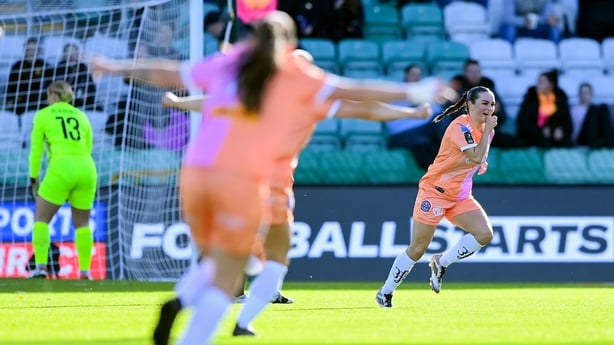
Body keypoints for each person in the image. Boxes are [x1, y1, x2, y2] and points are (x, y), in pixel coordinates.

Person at [89, 11, 450, 345]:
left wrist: (114, 66)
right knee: (232, 272)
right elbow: (357, 96)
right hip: (246, 178)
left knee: (224, 259)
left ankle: (210, 286)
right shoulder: (296, 80)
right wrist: (413, 92)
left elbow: (169, 73)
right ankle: (220, 318)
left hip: (196, 175)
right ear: (289, 46)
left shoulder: (230, 62)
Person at [157, 84, 433, 337]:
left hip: (239, 183)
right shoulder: (308, 103)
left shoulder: (257, 98)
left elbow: (214, 102)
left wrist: (177, 101)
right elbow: (364, 107)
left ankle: (189, 299)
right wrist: (410, 109)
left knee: (237, 255)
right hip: (271, 188)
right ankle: (241, 320)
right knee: (274, 256)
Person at [376, 86, 498, 308]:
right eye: (484, 103)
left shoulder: (487, 130)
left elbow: (475, 158)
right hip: (435, 192)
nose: (489, 108)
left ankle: (441, 262)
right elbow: (476, 154)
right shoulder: (461, 126)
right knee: (418, 248)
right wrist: (480, 155)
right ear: (470, 105)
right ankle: (385, 292)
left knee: (484, 234)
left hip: (460, 195)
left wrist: (480, 163)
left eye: (491, 104)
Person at [28, 81, 97, 280]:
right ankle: (85, 272)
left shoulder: (43, 114)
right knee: (82, 224)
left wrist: (34, 178)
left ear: (53, 96)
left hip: (61, 167)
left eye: (49, 95)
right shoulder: (82, 116)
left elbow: (36, 152)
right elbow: (89, 147)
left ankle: (41, 268)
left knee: (41, 220)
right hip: (87, 168)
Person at [449, 59, 522, 148]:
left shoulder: (488, 89)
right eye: (471, 72)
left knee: (519, 142)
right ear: (465, 73)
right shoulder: (457, 91)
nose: (474, 75)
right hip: (465, 133)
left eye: (477, 71)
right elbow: (453, 116)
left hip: (488, 131)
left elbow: (502, 115)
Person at [386, 64, 447, 170]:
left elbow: (438, 112)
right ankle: (435, 169)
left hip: (423, 129)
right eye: (413, 75)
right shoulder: (397, 91)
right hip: (402, 133)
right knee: (422, 143)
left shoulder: (424, 93)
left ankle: (450, 155)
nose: (416, 78)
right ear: (406, 75)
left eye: (418, 75)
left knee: (443, 120)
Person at [516, 69, 573, 147]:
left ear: (551, 85)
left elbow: (568, 124)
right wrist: (541, 131)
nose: (538, 85)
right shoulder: (530, 99)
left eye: (541, 82)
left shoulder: (560, 100)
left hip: (554, 138)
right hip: (534, 137)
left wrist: (561, 130)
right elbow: (523, 124)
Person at [6, 37, 52, 116]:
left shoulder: (44, 65)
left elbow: (50, 83)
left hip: (39, 100)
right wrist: (9, 100)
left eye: (34, 49)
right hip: (21, 101)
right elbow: (11, 85)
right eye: (29, 49)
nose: (31, 52)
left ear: (38, 50)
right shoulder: (17, 66)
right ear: (25, 50)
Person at [51, 43, 99, 110]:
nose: (71, 55)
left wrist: (86, 94)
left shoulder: (82, 67)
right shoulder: (59, 68)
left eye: (73, 52)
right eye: (68, 52)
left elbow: (91, 87)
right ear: (64, 55)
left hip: (82, 101)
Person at [570, 82, 614, 148]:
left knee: (603, 107)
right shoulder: (574, 110)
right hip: (582, 138)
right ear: (579, 95)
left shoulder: (596, 111)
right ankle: (596, 141)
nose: (584, 96)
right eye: (582, 93)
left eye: (587, 93)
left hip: (596, 136)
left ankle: (609, 141)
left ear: (591, 95)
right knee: (592, 109)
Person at [499, 0, 564, 43]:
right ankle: (509, 57)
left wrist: (549, 20)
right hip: (518, 27)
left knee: (554, 29)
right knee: (509, 29)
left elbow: (546, 16)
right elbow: (507, 17)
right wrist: (523, 22)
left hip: (537, 25)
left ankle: (555, 58)